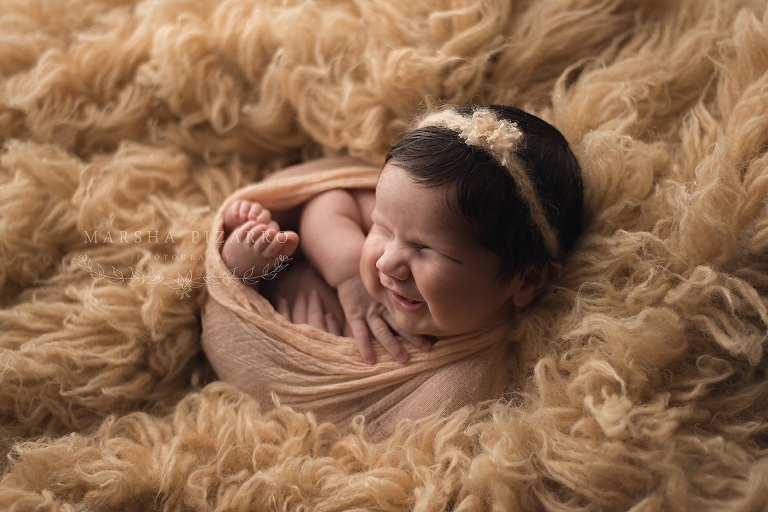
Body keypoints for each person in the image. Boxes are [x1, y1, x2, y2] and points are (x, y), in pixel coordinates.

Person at [219, 104, 583, 365]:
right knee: (244, 267)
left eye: (426, 248)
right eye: (383, 228)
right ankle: (242, 260)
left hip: (289, 356)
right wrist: (348, 275)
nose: (387, 262)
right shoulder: (406, 213)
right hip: (285, 276)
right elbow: (327, 201)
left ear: (529, 279)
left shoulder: (476, 366)